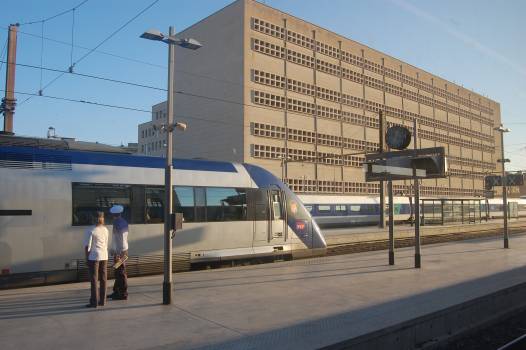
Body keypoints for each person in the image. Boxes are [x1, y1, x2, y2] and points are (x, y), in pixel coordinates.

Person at [84, 212, 109, 308]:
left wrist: (86, 258)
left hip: (94, 257)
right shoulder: (105, 229)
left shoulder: (91, 230)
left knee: (94, 279)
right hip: (104, 255)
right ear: (102, 218)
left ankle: (94, 302)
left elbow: (87, 247)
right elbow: (106, 243)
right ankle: (103, 301)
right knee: (103, 279)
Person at [109, 205, 129, 300]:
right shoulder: (124, 222)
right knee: (119, 271)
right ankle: (116, 291)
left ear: (114, 214)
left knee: (120, 272)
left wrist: (117, 253)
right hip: (124, 250)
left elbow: (118, 239)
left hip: (120, 251)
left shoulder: (117, 224)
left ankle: (123, 293)